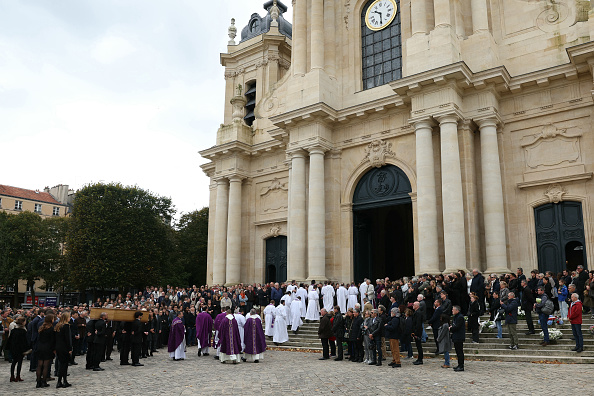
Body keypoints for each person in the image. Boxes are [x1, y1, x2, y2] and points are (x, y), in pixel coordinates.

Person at [6, 316, 29, 383]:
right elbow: (24, 341)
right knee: (19, 362)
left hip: (14, 348)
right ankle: (17, 376)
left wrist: (9, 347)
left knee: (14, 362)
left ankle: (12, 376)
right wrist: (26, 349)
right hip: (20, 349)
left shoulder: (14, 330)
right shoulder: (23, 331)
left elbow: (10, 339)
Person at [36, 314, 55, 388]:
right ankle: (44, 381)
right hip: (47, 348)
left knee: (39, 365)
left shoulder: (41, 328)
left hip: (40, 347)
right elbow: (52, 340)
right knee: (46, 365)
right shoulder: (51, 329)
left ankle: (38, 381)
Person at [54, 312, 72, 388]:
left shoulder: (58, 325)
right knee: (64, 365)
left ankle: (61, 381)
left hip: (58, 347)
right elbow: (68, 339)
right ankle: (63, 381)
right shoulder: (66, 326)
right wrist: (70, 348)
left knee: (61, 364)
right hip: (64, 347)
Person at [450, 306, 465, 372]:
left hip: (459, 336)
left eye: (453, 310)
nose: (452, 311)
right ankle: (459, 365)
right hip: (456, 336)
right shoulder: (456, 317)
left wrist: (451, 328)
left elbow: (457, 327)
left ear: (457, 310)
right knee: (457, 351)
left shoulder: (460, 317)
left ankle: (461, 366)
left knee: (459, 351)